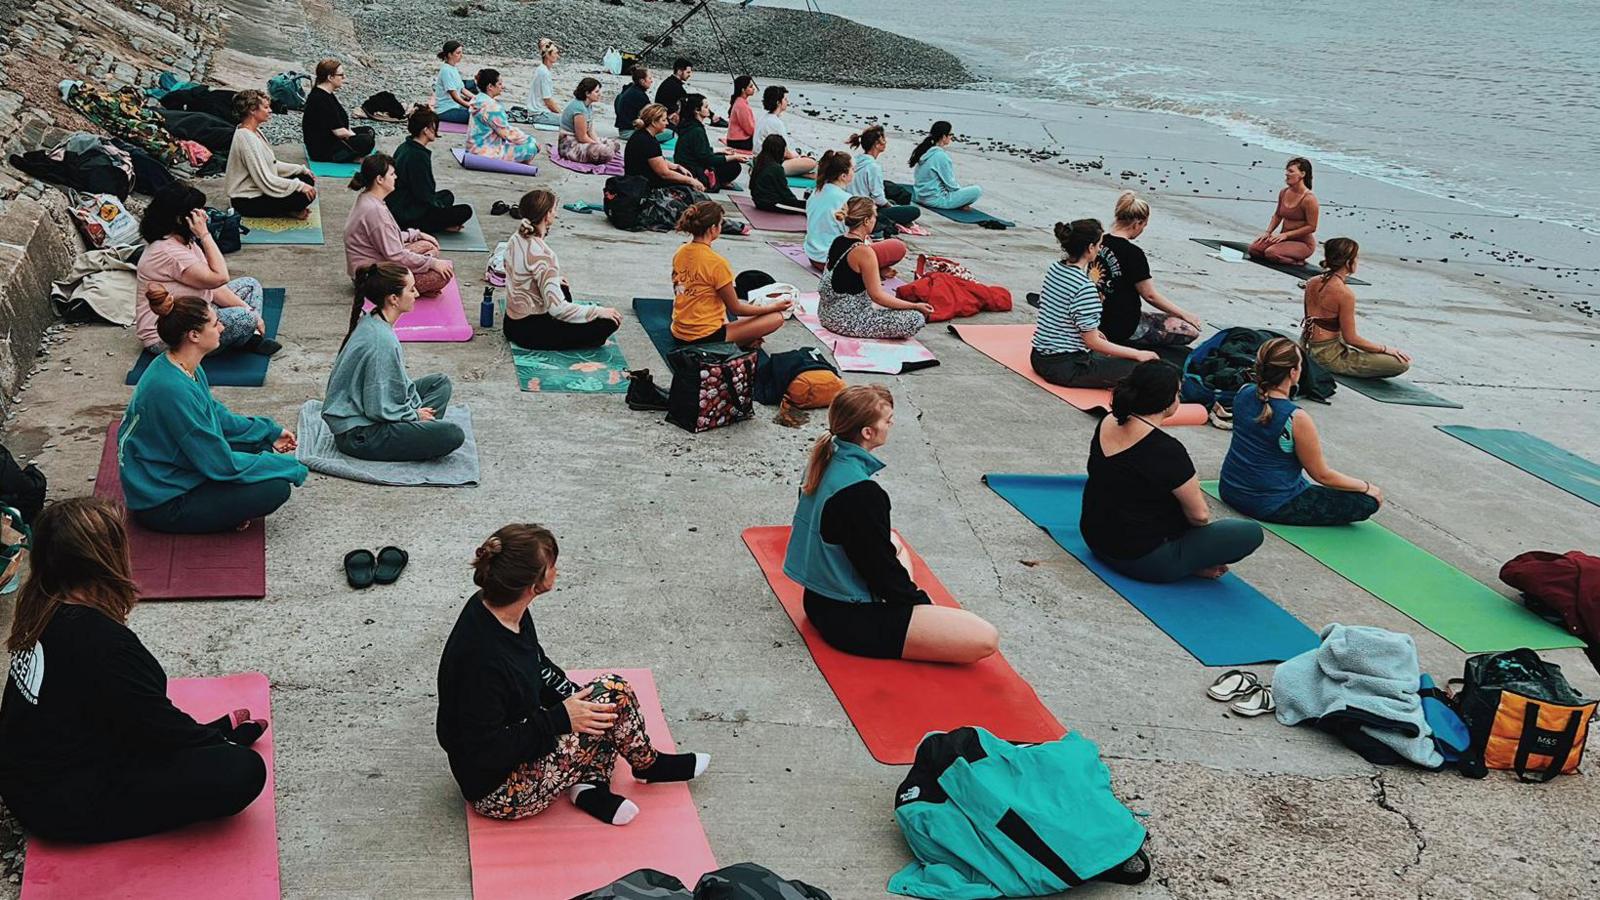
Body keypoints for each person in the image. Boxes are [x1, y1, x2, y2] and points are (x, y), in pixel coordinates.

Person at [0, 497, 270, 842]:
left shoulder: (40, 604)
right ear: (105, 561)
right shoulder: (103, 642)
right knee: (243, 772)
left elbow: (122, 710)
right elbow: (160, 728)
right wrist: (215, 743)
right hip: (59, 805)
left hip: (27, 773)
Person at [437, 524, 710, 825]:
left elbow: (537, 666)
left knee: (603, 707)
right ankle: (647, 765)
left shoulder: (503, 608)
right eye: (552, 566)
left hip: (522, 738)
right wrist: (560, 719)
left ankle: (590, 787)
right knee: (612, 696)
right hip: (499, 790)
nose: (557, 571)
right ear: (534, 585)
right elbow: (484, 749)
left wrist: (579, 700)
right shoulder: (483, 661)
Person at [784, 385, 998, 662]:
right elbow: (880, 570)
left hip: (817, 601)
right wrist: (921, 608)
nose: (892, 423)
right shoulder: (861, 493)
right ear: (867, 433)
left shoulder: (825, 459)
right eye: (887, 420)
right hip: (847, 619)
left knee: (895, 544)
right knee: (985, 638)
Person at [118, 291, 306, 534]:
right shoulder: (172, 389)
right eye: (215, 323)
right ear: (194, 335)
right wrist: (290, 467)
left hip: (175, 468)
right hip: (163, 502)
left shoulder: (179, 363)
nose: (222, 327)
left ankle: (225, 509)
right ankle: (220, 516)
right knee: (276, 488)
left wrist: (270, 431)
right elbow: (220, 464)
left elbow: (216, 415)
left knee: (258, 443)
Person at [1081, 362, 1264, 582]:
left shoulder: (1109, 421)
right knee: (1250, 532)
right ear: (1168, 400)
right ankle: (1186, 564)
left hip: (1095, 539)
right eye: (1178, 393)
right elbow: (1199, 516)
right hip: (1142, 560)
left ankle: (1186, 561)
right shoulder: (1167, 450)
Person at [1219, 338, 1384, 525]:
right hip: (1269, 504)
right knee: (1366, 502)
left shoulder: (1243, 392)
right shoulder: (1295, 417)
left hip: (1229, 490)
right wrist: (1367, 487)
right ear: (1293, 372)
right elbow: (1322, 475)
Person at [323, 263, 465, 462]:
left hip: (369, 411)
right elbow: (377, 408)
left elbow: (394, 385)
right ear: (393, 299)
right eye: (411, 289)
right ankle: (419, 431)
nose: (416, 294)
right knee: (452, 434)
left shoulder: (373, 319)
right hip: (359, 434)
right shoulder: (382, 341)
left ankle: (418, 431)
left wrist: (413, 410)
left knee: (439, 383)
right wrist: (414, 415)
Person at [135, 182, 274, 355]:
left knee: (250, 285)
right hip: (168, 336)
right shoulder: (169, 252)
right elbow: (220, 277)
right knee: (243, 318)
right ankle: (240, 337)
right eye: (198, 212)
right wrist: (205, 235)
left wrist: (251, 311)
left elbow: (214, 287)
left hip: (195, 311)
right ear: (181, 219)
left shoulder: (182, 240)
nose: (205, 216)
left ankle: (249, 336)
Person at [1032, 219, 1156, 388]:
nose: (1099, 249)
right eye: (1099, 245)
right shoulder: (1085, 287)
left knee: (1113, 356)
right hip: (1066, 367)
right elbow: (1092, 343)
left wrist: (1095, 331)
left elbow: (1061, 311)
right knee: (1149, 370)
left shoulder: (1055, 269)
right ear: (1090, 248)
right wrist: (1137, 354)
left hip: (1038, 357)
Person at [504, 190, 621, 350]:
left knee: (562, 286)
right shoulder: (545, 255)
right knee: (608, 322)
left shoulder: (516, 237)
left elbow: (519, 272)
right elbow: (558, 310)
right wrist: (598, 311)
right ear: (547, 216)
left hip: (511, 323)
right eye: (554, 210)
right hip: (529, 333)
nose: (556, 213)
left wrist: (554, 281)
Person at [671, 201, 789, 347]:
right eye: (720, 224)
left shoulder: (681, 252)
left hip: (678, 331)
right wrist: (774, 307)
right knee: (776, 318)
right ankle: (737, 341)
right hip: (704, 336)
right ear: (713, 228)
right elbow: (736, 308)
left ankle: (741, 338)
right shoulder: (717, 263)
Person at [1097, 191, 1201, 349]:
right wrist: (1184, 313)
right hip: (1122, 325)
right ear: (1137, 223)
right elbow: (1150, 296)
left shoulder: (1098, 242)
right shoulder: (1133, 253)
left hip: (1097, 315)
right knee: (1189, 330)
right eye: (1144, 226)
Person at [344, 154, 454, 296]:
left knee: (428, 246)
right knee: (440, 276)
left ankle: (414, 287)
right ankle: (412, 289)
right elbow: (395, 255)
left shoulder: (368, 198)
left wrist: (417, 234)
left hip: (374, 265)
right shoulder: (375, 211)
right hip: (370, 279)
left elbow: (387, 238)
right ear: (380, 179)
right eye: (392, 174)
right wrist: (432, 263)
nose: (395, 177)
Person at [818, 198, 927, 340]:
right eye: (874, 216)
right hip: (846, 321)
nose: (876, 219)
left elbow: (844, 272)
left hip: (826, 313)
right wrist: (915, 306)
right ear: (866, 221)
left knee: (893, 308)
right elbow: (878, 296)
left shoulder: (839, 240)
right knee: (915, 318)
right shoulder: (863, 251)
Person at [1301, 238, 1410, 378]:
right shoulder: (1344, 294)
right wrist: (1385, 349)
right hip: (1328, 357)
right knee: (1400, 363)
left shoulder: (1312, 282)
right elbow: (1351, 338)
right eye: (1356, 258)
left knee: (1369, 350)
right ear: (1348, 262)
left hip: (1308, 346)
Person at [225, 90, 316, 219]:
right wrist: (299, 186)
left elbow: (271, 164)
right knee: (302, 195)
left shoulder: (254, 132)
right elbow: (265, 179)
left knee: (306, 178)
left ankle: (287, 209)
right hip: (247, 201)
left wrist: (300, 169)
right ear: (252, 110)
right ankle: (286, 210)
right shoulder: (246, 137)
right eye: (266, 107)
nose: (270, 111)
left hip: (257, 191)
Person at [388, 105, 473, 233]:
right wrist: (440, 211)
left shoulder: (406, 146)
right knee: (465, 211)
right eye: (434, 127)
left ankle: (438, 220)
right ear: (426, 130)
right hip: (407, 214)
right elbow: (424, 194)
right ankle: (435, 226)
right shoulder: (418, 155)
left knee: (447, 195)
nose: (436, 131)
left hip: (401, 203)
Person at [847, 125, 920, 233]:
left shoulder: (855, 161)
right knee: (914, 211)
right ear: (876, 144)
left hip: (851, 204)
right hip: (864, 210)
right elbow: (878, 199)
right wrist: (891, 206)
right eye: (884, 139)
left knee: (892, 200)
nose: (886, 142)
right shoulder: (873, 167)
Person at [1248, 157, 1319, 265]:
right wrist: (1268, 232)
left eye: (1291, 171)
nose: (1286, 174)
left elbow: (1312, 227)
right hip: (1283, 238)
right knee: (1254, 249)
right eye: (1286, 171)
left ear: (1302, 174)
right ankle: (1282, 251)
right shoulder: (1284, 192)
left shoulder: (1309, 199)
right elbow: (1277, 215)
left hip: (1303, 243)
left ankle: (1298, 261)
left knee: (1271, 253)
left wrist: (1286, 235)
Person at [302, 58, 375, 163]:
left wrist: (353, 137)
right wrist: (355, 138)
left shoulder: (327, 94)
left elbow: (339, 123)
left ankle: (352, 153)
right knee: (366, 141)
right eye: (341, 75)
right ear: (330, 77)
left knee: (369, 131)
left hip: (333, 139)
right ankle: (348, 157)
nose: (344, 77)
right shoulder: (320, 99)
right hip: (323, 150)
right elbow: (338, 131)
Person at [624, 104, 703, 191]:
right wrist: (691, 181)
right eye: (664, 120)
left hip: (636, 180)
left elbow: (657, 159)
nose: (667, 123)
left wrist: (676, 166)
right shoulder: (648, 142)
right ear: (654, 122)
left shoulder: (642, 135)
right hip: (644, 184)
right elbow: (664, 173)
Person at [467, 69, 538, 164]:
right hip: (485, 153)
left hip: (473, 148)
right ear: (490, 87)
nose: (502, 87)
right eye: (499, 84)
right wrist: (531, 140)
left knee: (515, 142)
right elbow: (506, 133)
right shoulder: (492, 107)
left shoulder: (477, 99)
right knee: (531, 147)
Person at [673, 94, 742, 191]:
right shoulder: (696, 130)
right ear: (697, 110)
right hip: (693, 168)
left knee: (725, 156)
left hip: (687, 163)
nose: (708, 109)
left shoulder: (689, 125)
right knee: (734, 166)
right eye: (705, 107)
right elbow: (706, 158)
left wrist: (719, 150)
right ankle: (718, 180)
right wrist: (733, 157)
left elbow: (698, 150)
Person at [910, 121, 982, 210]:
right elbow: (951, 185)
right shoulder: (940, 156)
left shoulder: (925, 151)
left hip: (920, 196)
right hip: (934, 200)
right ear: (944, 137)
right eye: (950, 134)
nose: (952, 137)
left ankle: (959, 203)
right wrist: (961, 198)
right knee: (977, 190)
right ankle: (959, 204)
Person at [803, 151, 857, 266]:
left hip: (812, 256)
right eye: (852, 169)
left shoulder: (816, 192)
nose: (854, 172)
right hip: (831, 260)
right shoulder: (847, 199)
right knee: (894, 248)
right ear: (843, 176)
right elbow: (851, 235)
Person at [752, 86, 816, 176]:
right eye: (785, 99)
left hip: (758, 158)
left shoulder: (764, 118)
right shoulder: (775, 123)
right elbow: (785, 153)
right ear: (778, 103)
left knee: (800, 158)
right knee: (811, 163)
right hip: (769, 164)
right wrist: (797, 156)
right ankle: (799, 172)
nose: (787, 102)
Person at [557, 77, 622, 165]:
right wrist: (599, 145)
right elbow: (581, 137)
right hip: (570, 146)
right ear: (587, 93)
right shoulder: (579, 109)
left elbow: (590, 130)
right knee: (607, 152)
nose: (600, 94)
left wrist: (598, 143)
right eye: (596, 92)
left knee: (616, 144)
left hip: (581, 141)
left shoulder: (588, 106)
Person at [749, 134, 806, 214]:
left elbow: (751, 185)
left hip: (758, 200)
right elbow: (785, 192)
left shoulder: (758, 160)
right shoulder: (776, 168)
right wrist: (796, 202)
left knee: (803, 204)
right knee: (806, 210)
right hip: (771, 203)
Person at [522, 37, 563, 127]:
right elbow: (547, 100)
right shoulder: (544, 73)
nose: (558, 56)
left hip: (538, 112)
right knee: (572, 122)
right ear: (548, 55)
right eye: (556, 53)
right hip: (540, 114)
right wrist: (561, 114)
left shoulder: (542, 69)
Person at [434, 41, 477, 125]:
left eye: (461, 53)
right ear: (450, 54)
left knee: (484, 112)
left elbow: (462, 89)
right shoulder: (446, 71)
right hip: (445, 110)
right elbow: (455, 97)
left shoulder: (453, 69)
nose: (461, 55)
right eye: (458, 53)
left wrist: (477, 99)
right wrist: (471, 106)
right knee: (479, 116)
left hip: (455, 107)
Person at [613, 66, 653, 140]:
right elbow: (650, 114)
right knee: (668, 133)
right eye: (649, 78)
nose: (651, 81)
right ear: (642, 81)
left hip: (623, 129)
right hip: (629, 131)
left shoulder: (630, 89)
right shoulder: (639, 95)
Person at [654, 58, 692, 124]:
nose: (690, 75)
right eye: (688, 72)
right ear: (679, 71)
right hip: (665, 121)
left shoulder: (670, 82)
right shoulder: (675, 86)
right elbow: (687, 102)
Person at [725, 75, 757, 151]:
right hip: (739, 141)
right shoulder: (741, 105)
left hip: (735, 140)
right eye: (750, 86)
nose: (753, 88)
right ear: (743, 90)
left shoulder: (740, 101)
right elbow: (749, 129)